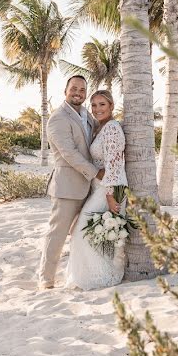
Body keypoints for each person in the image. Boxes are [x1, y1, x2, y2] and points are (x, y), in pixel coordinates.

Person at [37, 75, 104, 290]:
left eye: (82, 90)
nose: (78, 93)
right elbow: (69, 153)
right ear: (65, 90)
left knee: (81, 232)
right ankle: (46, 278)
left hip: (89, 187)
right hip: (67, 187)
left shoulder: (86, 115)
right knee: (57, 233)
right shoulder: (57, 119)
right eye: (74, 88)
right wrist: (95, 172)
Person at [66, 89, 127, 290]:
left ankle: (100, 276)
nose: (97, 109)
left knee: (83, 232)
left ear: (111, 106)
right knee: (95, 233)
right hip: (98, 187)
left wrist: (110, 195)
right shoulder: (99, 128)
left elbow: (115, 165)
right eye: (94, 105)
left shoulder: (112, 129)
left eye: (102, 104)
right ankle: (93, 275)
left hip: (110, 188)